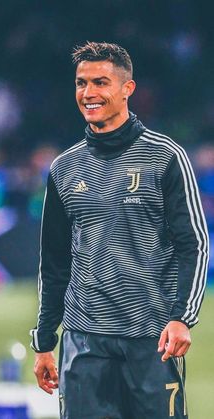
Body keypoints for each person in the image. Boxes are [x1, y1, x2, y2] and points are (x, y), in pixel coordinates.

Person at [30, 41, 209, 419]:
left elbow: (194, 244)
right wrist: (45, 341)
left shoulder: (166, 157)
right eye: (81, 83)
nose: (89, 93)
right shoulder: (64, 168)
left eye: (100, 82)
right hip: (84, 343)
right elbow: (55, 263)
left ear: (127, 89)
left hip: (151, 338)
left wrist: (182, 317)